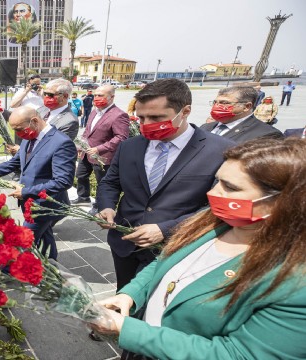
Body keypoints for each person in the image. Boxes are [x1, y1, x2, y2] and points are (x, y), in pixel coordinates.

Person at [91, 137, 306, 360]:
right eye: (217, 182)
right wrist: (130, 295)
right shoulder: (212, 221)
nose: (213, 194)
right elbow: (167, 260)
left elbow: (238, 354)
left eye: (230, 188)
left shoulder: (295, 284)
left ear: (284, 201)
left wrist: (128, 330)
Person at [96, 78, 234, 293]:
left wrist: (165, 229)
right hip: (125, 244)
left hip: (177, 248)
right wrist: (106, 207)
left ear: (185, 111)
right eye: (141, 117)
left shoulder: (221, 151)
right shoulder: (129, 147)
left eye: (156, 117)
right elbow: (110, 183)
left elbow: (218, 206)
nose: (146, 124)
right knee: (124, 294)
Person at [0, 106, 76, 260]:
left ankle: (4, 275)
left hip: (45, 205)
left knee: (20, 243)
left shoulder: (61, 143)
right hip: (30, 203)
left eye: (19, 129)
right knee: (46, 238)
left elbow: (63, 181)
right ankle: (52, 266)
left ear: (34, 121)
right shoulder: (28, 138)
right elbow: (15, 163)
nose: (18, 134)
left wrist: (26, 192)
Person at [73, 85, 129, 209]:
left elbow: (121, 137)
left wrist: (99, 149)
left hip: (102, 156)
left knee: (102, 183)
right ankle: (83, 197)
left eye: (101, 95)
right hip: (86, 153)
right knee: (81, 175)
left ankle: (100, 206)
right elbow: (88, 131)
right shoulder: (94, 112)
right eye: (96, 95)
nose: (96, 98)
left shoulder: (119, 115)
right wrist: (80, 146)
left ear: (112, 97)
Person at [201, 86, 283, 143]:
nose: (217, 106)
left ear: (247, 106)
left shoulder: (267, 135)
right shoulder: (205, 127)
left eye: (225, 103)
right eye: (215, 102)